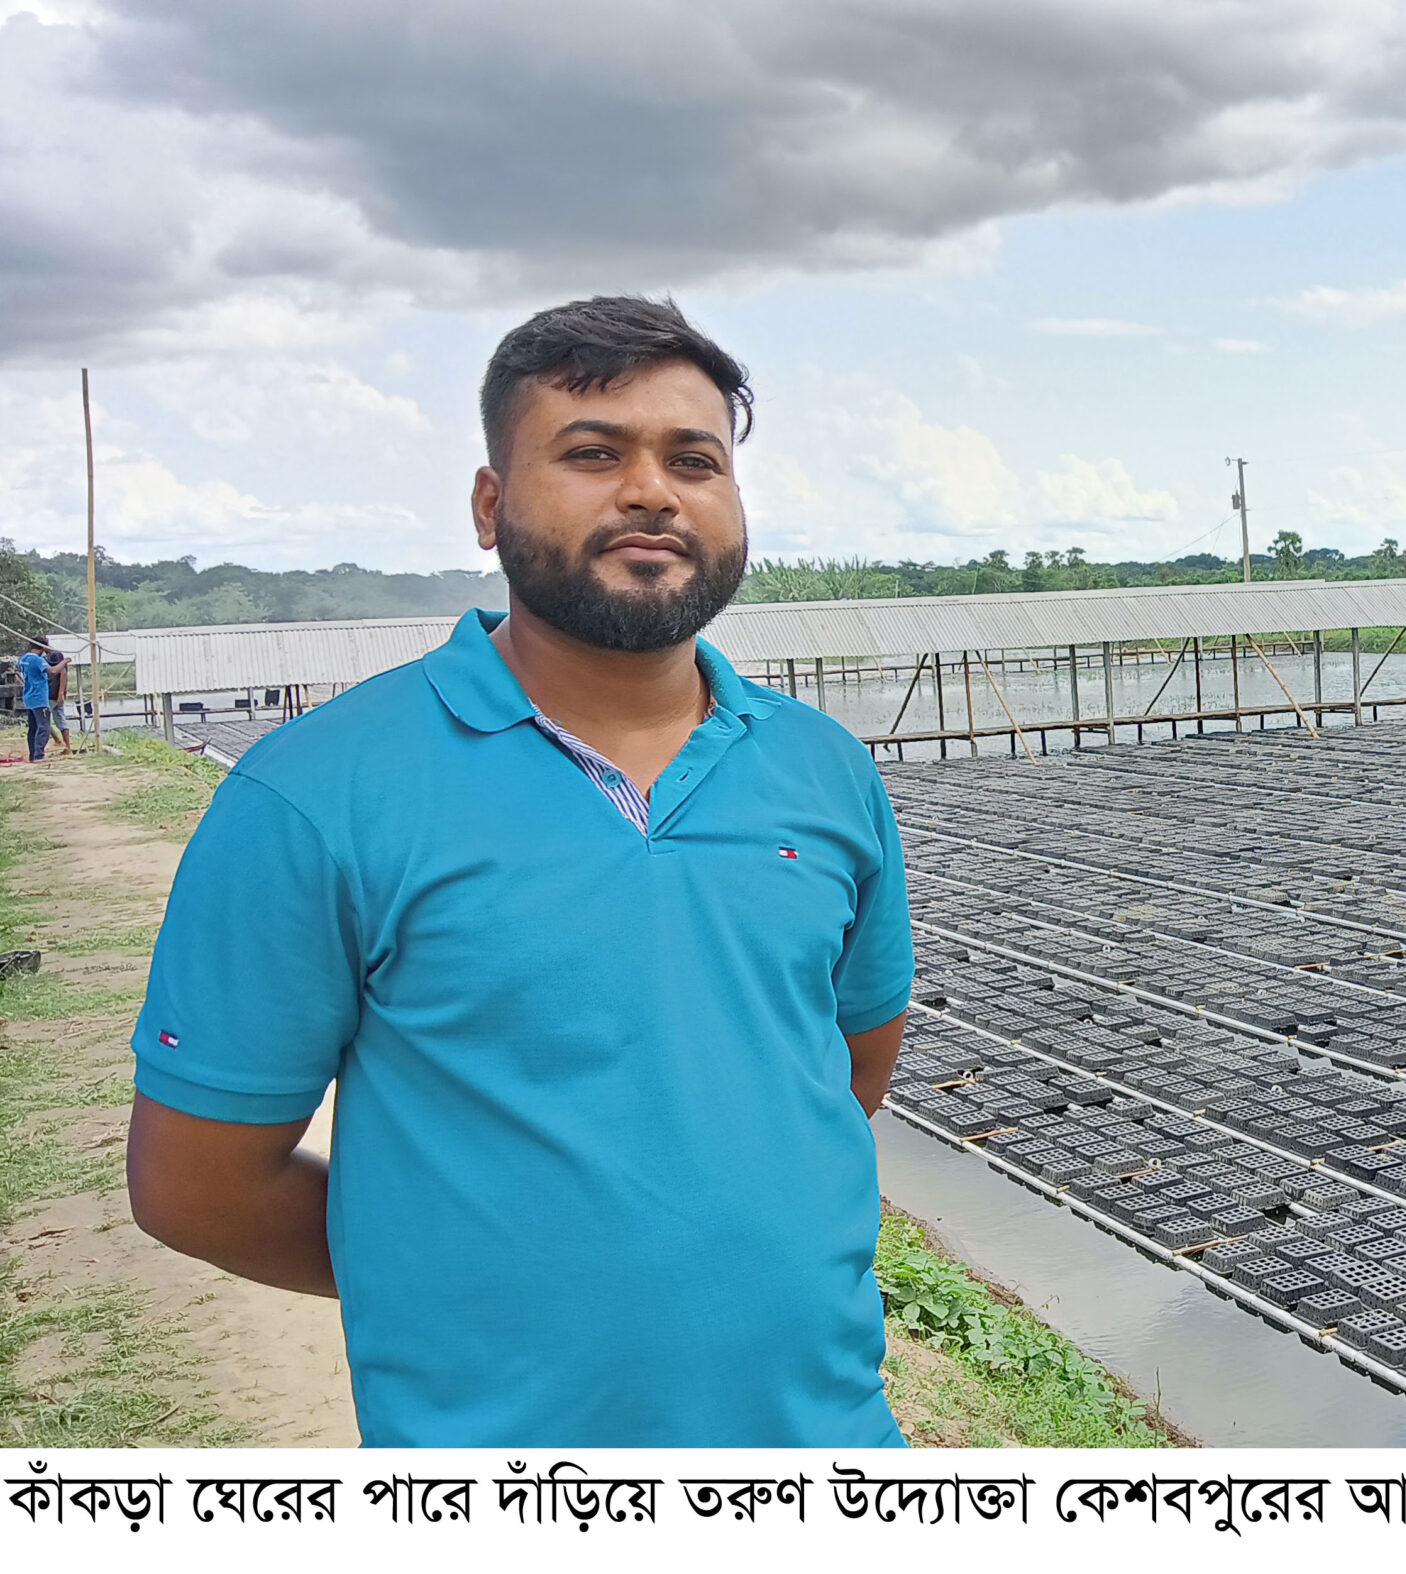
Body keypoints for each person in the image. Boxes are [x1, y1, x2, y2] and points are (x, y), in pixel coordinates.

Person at [124, 297, 913, 1447]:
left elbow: (846, 1072)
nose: (652, 491)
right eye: (593, 453)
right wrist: (464, 1277)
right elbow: (200, 1187)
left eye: (694, 460)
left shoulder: (824, 767)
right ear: (490, 506)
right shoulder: (317, 793)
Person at [17, 637, 52, 762]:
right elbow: (52, 670)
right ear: (42, 647)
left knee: (33, 728)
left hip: (29, 697)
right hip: (39, 698)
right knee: (44, 728)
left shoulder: (23, 658)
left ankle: (33, 755)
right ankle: (39, 755)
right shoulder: (38, 660)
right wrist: (65, 662)